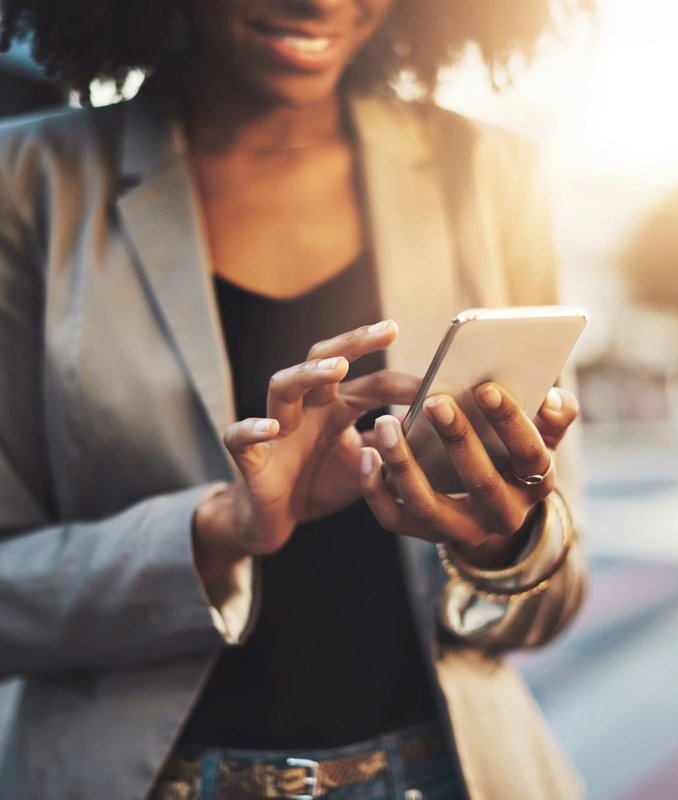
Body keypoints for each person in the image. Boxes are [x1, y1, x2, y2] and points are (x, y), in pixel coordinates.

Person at [0, 1, 588, 798]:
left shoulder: (489, 171)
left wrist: (502, 547)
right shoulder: (27, 183)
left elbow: (556, 590)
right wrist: (220, 529)